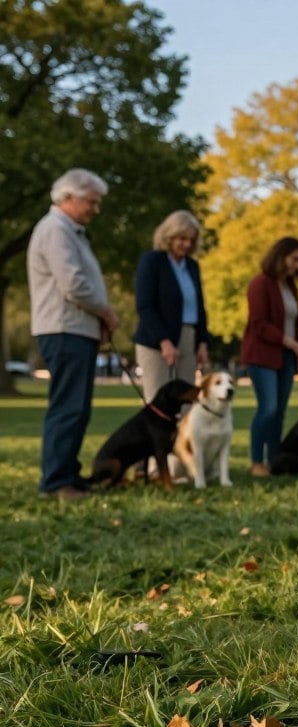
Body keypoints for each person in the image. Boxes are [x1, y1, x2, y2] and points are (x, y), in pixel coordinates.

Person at [27, 168, 119, 500]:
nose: (96, 209)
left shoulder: (71, 231)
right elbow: (74, 285)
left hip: (77, 329)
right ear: (68, 198)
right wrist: (106, 311)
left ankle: (68, 473)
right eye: (91, 202)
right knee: (68, 406)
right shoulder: (55, 230)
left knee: (78, 407)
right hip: (64, 329)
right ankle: (55, 482)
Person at [240, 237, 298, 477]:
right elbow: (259, 324)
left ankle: (275, 460)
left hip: (287, 358)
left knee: (280, 411)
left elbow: (296, 323)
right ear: (280, 257)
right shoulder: (260, 283)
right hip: (262, 356)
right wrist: (292, 344)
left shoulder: (290, 286)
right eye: (294, 259)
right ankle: (256, 461)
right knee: (268, 408)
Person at [132, 210, 210, 402]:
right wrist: (164, 341)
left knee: (187, 400)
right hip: (156, 340)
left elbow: (199, 306)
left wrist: (202, 342)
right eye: (182, 238)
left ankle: (185, 434)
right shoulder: (152, 261)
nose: (187, 244)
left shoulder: (192, 266)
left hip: (188, 336)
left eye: (191, 240)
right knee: (159, 402)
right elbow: (145, 306)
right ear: (169, 236)